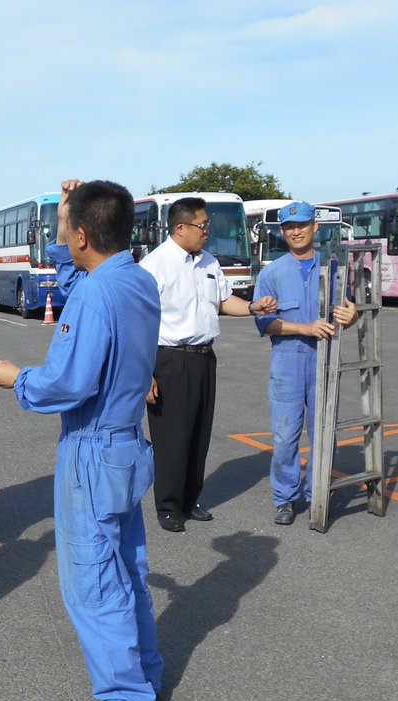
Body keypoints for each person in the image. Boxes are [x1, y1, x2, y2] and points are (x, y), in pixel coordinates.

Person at [0, 179, 164, 701]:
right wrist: (68, 213)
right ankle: (144, 679)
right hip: (126, 442)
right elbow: (79, 282)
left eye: (67, 231)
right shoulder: (136, 279)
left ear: (82, 236)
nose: (64, 239)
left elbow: (67, 383)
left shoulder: (94, 295)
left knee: (93, 581)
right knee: (127, 571)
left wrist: (17, 378)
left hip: (91, 446)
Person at [138, 197, 274, 532]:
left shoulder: (209, 262)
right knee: (172, 436)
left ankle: (190, 499)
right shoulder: (154, 266)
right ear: (180, 228)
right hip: (169, 359)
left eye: (207, 225)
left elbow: (224, 300)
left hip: (203, 357)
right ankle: (168, 505)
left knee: (199, 433)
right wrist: (144, 373)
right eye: (202, 225)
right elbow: (137, 322)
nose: (207, 232)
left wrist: (252, 307)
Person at [252, 201, 358, 525]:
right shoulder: (271, 273)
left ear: (315, 226)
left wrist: (351, 317)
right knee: (286, 436)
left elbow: (349, 309)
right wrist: (305, 328)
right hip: (288, 361)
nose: (296, 232)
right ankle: (285, 498)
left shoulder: (335, 269)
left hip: (325, 359)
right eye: (289, 227)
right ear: (282, 232)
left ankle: (318, 494)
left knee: (324, 433)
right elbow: (265, 323)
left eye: (302, 225)